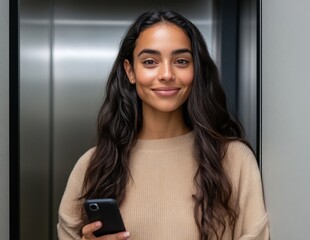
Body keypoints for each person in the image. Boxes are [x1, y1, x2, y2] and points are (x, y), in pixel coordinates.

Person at [57, 9, 269, 240]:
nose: (167, 74)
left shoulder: (234, 159)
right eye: (150, 62)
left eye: (181, 61)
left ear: (195, 70)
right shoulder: (92, 166)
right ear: (130, 71)